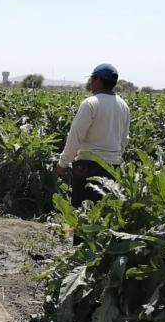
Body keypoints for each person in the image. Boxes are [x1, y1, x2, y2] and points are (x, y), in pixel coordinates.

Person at [56, 63, 131, 215]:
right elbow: (124, 139)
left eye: (91, 78)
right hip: (112, 168)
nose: (90, 82)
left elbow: (75, 136)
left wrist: (63, 163)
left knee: (83, 215)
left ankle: (80, 240)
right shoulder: (124, 106)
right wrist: (115, 158)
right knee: (103, 214)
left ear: (98, 80)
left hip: (87, 166)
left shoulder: (90, 103)